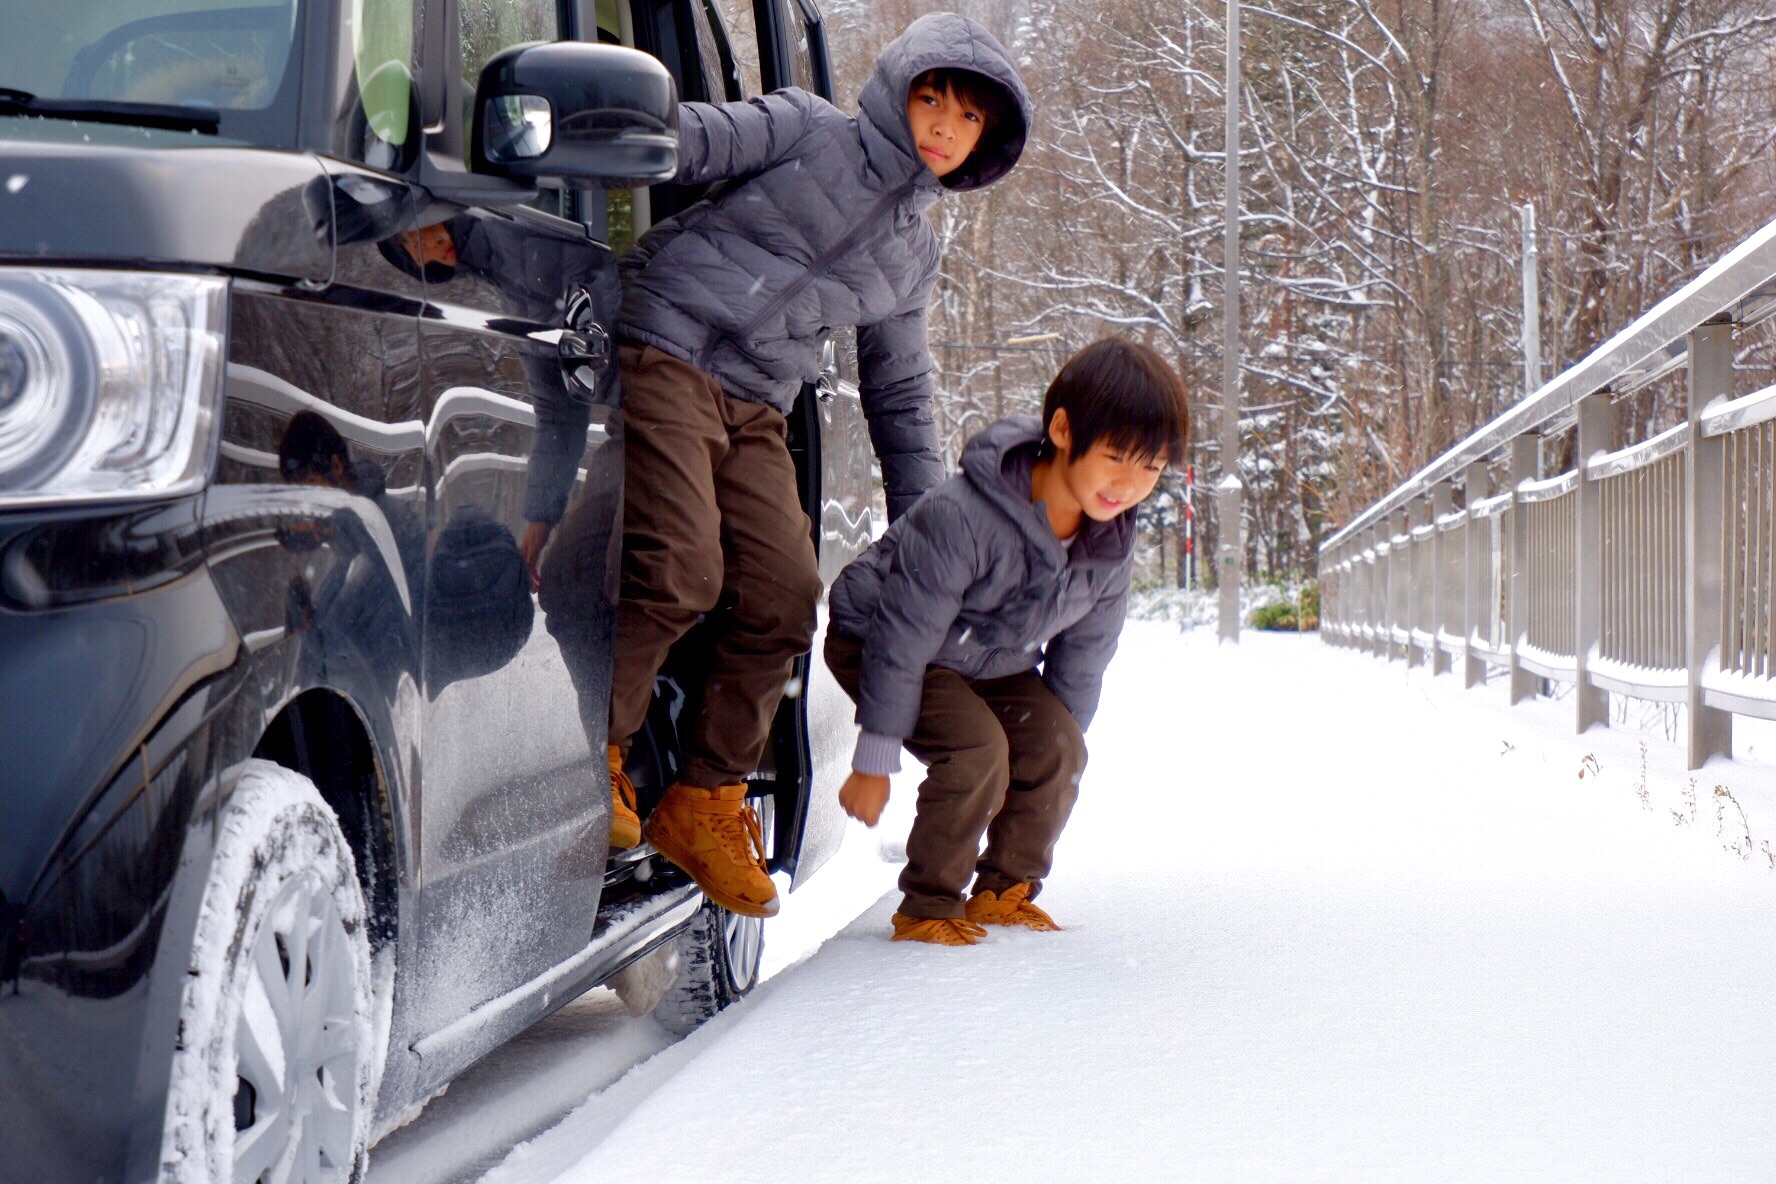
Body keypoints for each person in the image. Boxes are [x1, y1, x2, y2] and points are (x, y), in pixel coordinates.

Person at [522, 13, 1031, 919]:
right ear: (898, 90)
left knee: (788, 597)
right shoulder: (807, 128)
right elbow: (687, 141)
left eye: (968, 121)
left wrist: (924, 534)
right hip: (666, 343)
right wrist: (587, 126)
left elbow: (902, 394)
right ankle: (592, 758)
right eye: (932, 101)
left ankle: (707, 797)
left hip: (757, 399)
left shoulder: (915, 256)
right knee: (682, 566)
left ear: (985, 143)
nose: (944, 128)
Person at [823, 338, 1191, 944]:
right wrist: (875, 756)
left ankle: (1002, 890)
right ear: (1065, 430)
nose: (1128, 483)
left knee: (1057, 747)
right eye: (1116, 456)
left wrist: (1051, 745)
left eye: (1149, 468)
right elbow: (904, 632)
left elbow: (1085, 657)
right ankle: (928, 904)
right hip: (881, 638)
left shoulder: (1109, 544)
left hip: (991, 659)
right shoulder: (964, 515)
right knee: (977, 751)